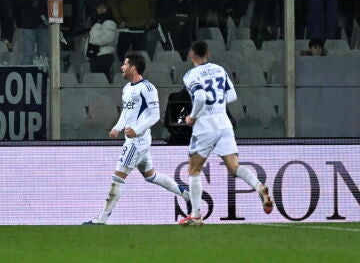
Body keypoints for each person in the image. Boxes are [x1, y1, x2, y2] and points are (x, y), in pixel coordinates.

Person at [83, 52, 191, 225]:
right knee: (151, 176)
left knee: (117, 178)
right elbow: (126, 113)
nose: (122, 67)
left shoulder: (147, 88)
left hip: (138, 140)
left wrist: (137, 129)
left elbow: (155, 115)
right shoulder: (127, 88)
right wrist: (117, 128)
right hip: (134, 139)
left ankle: (102, 219)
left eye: (125, 64)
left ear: (133, 68)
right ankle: (187, 195)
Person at [179, 41, 273, 227]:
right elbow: (232, 96)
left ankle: (196, 215)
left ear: (191, 55)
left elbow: (199, 96)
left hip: (205, 125)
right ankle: (258, 186)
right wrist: (218, 104)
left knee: (194, 170)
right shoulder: (220, 70)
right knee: (234, 166)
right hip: (224, 123)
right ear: (209, 53)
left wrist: (192, 116)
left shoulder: (190, 75)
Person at [85, 0, 117, 81]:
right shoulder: (99, 21)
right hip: (97, 55)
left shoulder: (109, 21)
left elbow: (108, 38)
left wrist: (92, 42)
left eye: (104, 8)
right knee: (96, 81)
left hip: (103, 56)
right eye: (99, 8)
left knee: (101, 81)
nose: (101, 10)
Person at [13, 0, 49, 65]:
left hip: (44, 22)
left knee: (43, 54)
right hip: (28, 22)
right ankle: (26, 72)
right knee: (27, 53)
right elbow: (16, 3)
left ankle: (41, 74)